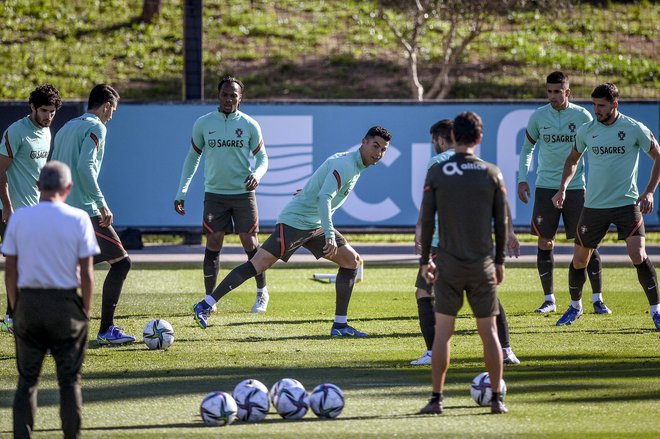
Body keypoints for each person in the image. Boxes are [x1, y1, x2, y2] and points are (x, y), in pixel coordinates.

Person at [192, 126, 392, 336]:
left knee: (351, 260)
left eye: (383, 149)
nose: (378, 153)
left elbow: (322, 182)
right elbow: (325, 198)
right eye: (375, 146)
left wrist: (307, 191)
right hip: (296, 222)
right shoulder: (346, 164)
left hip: (314, 224)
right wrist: (330, 234)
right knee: (257, 265)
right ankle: (205, 305)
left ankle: (340, 326)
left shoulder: (352, 163)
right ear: (364, 142)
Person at [418, 112, 508, 415]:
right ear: (480, 139)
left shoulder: (439, 172)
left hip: (448, 263)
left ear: (453, 137)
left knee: (443, 333)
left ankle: (436, 399)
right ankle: (497, 399)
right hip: (482, 263)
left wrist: (423, 262)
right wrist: (499, 263)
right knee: (490, 333)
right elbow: (502, 223)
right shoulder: (492, 173)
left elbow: (427, 221)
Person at [411, 119, 520, 366]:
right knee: (487, 294)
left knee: (424, 292)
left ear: (440, 139)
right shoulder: (483, 166)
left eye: (434, 142)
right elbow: (501, 204)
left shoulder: (438, 163)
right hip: (477, 243)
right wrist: (510, 233)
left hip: (443, 241)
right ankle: (505, 350)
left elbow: (430, 203)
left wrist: (419, 230)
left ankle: (432, 353)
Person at [552, 83, 660, 329]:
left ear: (615, 104)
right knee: (579, 260)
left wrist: (650, 192)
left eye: (601, 105)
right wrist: (563, 188)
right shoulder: (586, 130)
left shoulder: (634, 128)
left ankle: (656, 311)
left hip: (626, 204)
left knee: (638, 255)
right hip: (594, 206)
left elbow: (658, 156)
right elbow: (572, 160)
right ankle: (575, 307)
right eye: (594, 105)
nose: (596, 110)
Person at [3, 161, 99, 439]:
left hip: (29, 304)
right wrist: (86, 309)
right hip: (66, 305)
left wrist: (15, 305)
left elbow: (10, 269)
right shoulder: (78, 218)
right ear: (68, 188)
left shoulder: (20, 218)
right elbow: (88, 272)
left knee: (27, 382)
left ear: (38, 186)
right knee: (69, 382)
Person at [175, 76, 270, 314]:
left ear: (240, 98)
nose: (228, 99)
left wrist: (257, 175)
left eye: (233, 96)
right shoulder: (204, 123)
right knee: (214, 241)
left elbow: (262, 158)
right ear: (218, 96)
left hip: (243, 194)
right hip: (214, 194)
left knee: (250, 242)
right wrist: (182, 192)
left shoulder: (249, 125)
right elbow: (192, 158)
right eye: (224, 95)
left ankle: (262, 292)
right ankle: (210, 300)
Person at [517, 71, 609, 315]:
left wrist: (599, 183)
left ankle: (598, 299)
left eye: (558, 91)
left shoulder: (582, 116)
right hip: (545, 187)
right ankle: (549, 299)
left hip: (576, 188)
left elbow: (596, 149)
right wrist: (522, 179)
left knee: (586, 243)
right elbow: (527, 149)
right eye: (549, 91)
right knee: (545, 242)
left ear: (568, 92)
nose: (552, 96)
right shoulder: (539, 117)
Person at [51, 84, 135, 345]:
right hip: (85, 211)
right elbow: (85, 167)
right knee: (122, 262)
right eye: (113, 110)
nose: (112, 115)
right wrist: (101, 204)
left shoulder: (66, 127)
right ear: (107, 105)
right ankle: (106, 329)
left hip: (61, 209)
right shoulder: (97, 127)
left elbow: (52, 167)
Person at [1, 84, 62, 334]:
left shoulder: (46, 133)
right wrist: (7, 208)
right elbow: (0, 171)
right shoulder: (16, 132)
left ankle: (12, 315)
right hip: (16, 211)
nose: (49, 116)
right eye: (44, 110)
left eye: (52, 111)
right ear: (32, 108)